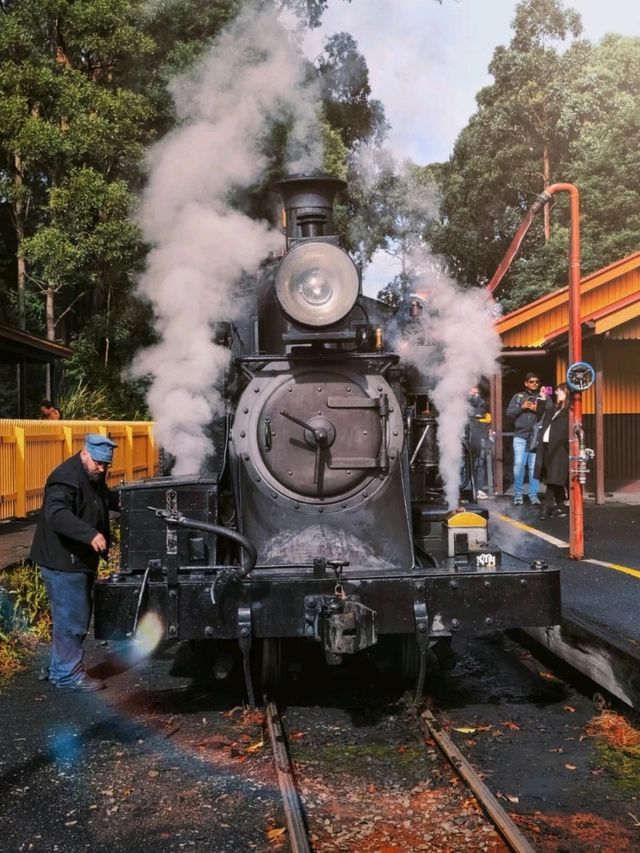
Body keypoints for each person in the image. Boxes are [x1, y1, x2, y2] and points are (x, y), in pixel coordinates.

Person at [30, 434, 120, 692]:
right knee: (73, 618)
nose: (102, 469)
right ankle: (67, 675)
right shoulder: (64, 478)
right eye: (98, 463)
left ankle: (61, 666)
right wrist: (90, 534)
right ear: (84, 453)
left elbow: (105, 498)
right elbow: (57, 515)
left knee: (73, 615)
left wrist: (132, 503)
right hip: (63, 560)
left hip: (78, 558)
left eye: (106, 464)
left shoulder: (91, 473)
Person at [505, 372, 548, 506]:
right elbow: (509, 414)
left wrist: (538, 407)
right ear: (526, 383)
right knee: (519, 465)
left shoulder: (542, 397)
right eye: (531, 381)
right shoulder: (518, 397)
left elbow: (550, 413)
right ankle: (518, 494)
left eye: (536, 381)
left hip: (535, 437)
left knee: (534, 467)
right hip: (520, 435)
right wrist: (521, 407)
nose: (534, 383)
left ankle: (533, 495)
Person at [534, 383, 570, 519]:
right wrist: (542, 398)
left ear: (567, 393)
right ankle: (560, 506)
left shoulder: (569, 411)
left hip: (561, 448)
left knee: (553, 477)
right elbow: (539, 414)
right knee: (554, 477)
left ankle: (547, 506)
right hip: (548, 447)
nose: (556, 393)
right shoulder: (554, 409)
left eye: (560, 391)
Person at [467, 385, 490, 499]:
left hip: (480, 435)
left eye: (477, 393)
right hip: (467, 437)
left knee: (480, 463)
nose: (475, 396)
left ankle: (478, 488)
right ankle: (465, 489)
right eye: (473, 393)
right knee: (465, 464)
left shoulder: (482, 404)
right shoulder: (463, 404)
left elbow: (482, 411)